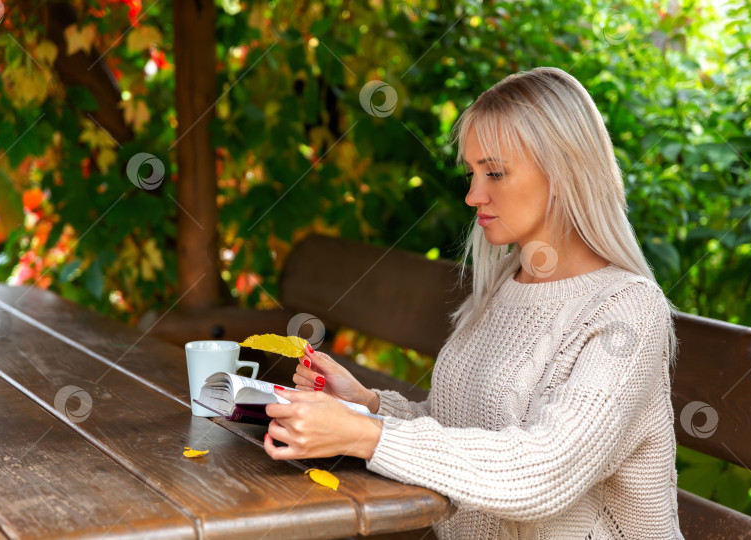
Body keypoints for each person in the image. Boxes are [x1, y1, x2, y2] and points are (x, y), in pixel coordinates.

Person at [263, 67, 683, 539]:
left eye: (496, 173)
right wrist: (368, 407)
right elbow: (463, 431)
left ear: (566, 171)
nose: (472, 195)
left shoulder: (627, 310)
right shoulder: (506, 284)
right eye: (472, 172)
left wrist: (367, 436)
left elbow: (544, 469)